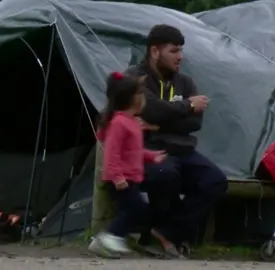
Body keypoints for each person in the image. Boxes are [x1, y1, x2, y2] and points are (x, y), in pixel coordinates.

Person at [125, 24, 228, 257]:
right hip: (146, 149)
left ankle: (163, 233)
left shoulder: (185, 82)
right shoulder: (134, 77)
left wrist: (159, 121)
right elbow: (149, 107)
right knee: (165, 174)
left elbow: (195, 123)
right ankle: (164, 237)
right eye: (174, 50)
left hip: (182, 150)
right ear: (155, 51)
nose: (180, 56)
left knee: (215, 181)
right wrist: (187, 106)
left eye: (181, 50)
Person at [88, 72, 168, 257]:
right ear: (131, 99)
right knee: (136, 208)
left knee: (133, 209)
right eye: (141, 94)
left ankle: (105, 240)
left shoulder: (130, 122)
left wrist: (151, 156)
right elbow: (112, 152)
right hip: (120, 178)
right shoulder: (119, 123)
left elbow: (131, 151)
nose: (144, 98)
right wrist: (117, 176)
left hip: (130, 177)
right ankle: (111, 236)